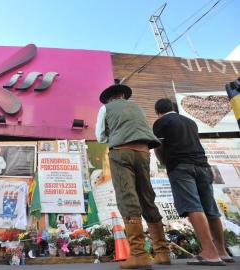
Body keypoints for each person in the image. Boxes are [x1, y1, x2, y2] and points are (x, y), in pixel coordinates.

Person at [95, 82, 170, 269]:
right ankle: (162, 253)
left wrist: (114, 136)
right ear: (123, 96)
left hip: (121, 152)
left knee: (127, 197)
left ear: (110, 98)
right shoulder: (137, 107)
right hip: (144, 152)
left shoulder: (105, 108)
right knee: (147, 197)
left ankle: (139, 254)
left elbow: (100, 137)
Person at [153, 98, 233, 266]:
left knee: (192, 206)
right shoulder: (190, 122)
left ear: (158, 112)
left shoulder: (161, 122)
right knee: (210, 208)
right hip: (203, 166)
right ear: (173, 108)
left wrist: (165, 164)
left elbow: (159, 147)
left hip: (181, 167)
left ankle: (209, 253)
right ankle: (221, 251)